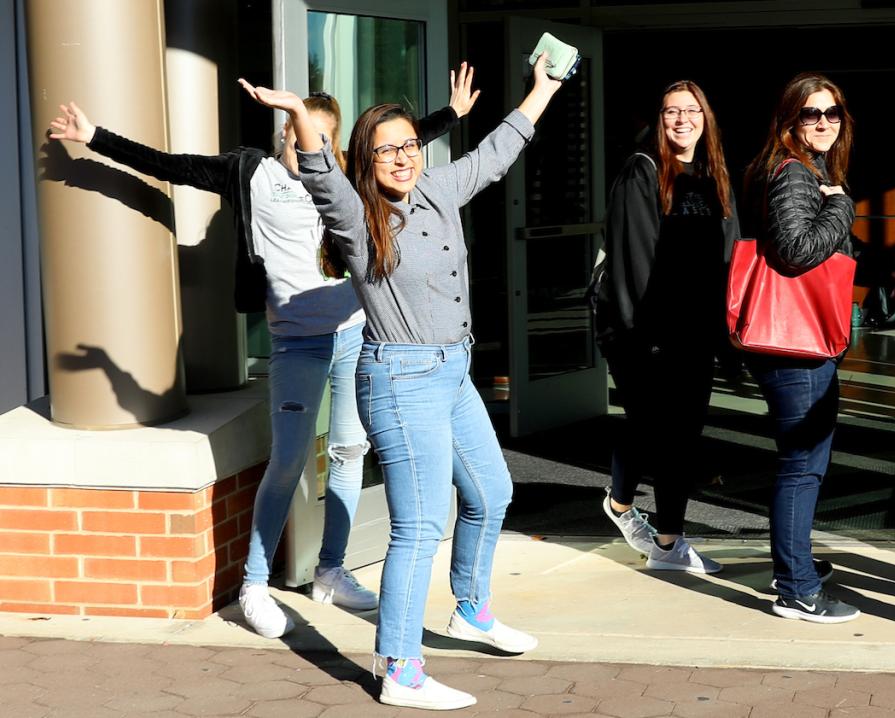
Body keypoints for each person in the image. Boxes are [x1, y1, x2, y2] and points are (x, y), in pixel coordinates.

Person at [48, 65, 480, 640]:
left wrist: (450, 114)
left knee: (350, 451)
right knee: (289, 460)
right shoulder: (250, 173)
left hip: (356, 331)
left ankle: (330, 570)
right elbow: (171, 166)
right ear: (284, 134)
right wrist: (94, 135)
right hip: (296, 340)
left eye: (321, 139)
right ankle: (254, 584)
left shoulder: (345, 174)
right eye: (298, 135)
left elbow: (401, 145)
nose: (307, 147)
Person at [239, 53, 563, 710]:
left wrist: (541, 89)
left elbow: (497, 152)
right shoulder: (356, 217)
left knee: (490, 491)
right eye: (385, 150)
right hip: (400, 378)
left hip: (452, 372)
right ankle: (398, 669)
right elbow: (320, 172)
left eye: (409, 145)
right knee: (416, 526)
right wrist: (302, 117)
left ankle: (469, 609)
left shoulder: (439, 188)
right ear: (365, 158)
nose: (400, 158)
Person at [592, 80, 736, 574]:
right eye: (672, 111)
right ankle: (668, 543)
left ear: (705, 117)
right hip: (643, 332)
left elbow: (729, 254)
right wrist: (645, 340)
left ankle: (625, 507)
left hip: (693, 330)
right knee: (666, 433)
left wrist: (724, 330)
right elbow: (634, 262)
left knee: (677, 433)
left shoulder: (714, 175)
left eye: (691, 110)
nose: (682, 119)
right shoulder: (644, 171)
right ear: (660, 119)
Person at [741, 72, 863, 623]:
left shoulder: (807, 170)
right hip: (795, 346)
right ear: (790, 120)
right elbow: (794, 250)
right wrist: (843, 206)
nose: (822, 123)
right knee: (802, 466)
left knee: (804, 463)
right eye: (810, 114)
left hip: (801, 341)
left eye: (831, 113)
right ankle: (796, 588)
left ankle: (794, 566)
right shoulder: (793, 173)